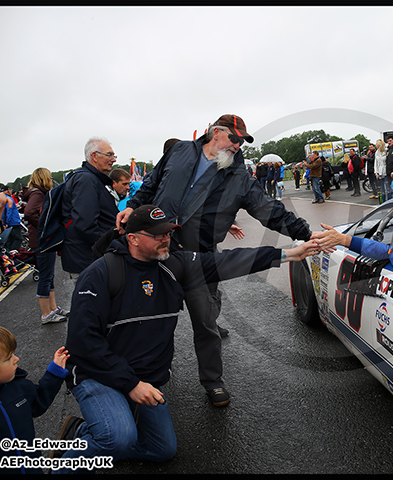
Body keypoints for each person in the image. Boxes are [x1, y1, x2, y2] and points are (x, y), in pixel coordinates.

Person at [58, 204, 318, 472]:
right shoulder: (100, 274)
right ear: (132, 238)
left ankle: (93, 433)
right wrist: (131, 383)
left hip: (144, 378)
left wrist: (289, 254)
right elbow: (82, 342)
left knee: (162, 450)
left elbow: (228, 261)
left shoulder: (175, 264)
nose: (166, 239)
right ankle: (78, 450)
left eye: (168, 232)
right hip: (98, 374)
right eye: (157, 235)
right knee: (118, 437)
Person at [116, 115, 314, 407]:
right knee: (142, 317)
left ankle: (213, 382)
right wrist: (132, 206)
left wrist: (306, 233)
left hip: (199, 255)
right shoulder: (180, 151)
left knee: (206, 323)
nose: (236, 145)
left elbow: (270, 211)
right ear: (215, 133)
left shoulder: (239, 178)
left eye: (241, 141)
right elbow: (151, 184)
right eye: (233, 138)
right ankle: (140, 376)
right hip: (154, 250)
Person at [0, 324, 69, 474]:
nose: (16, 359)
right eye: (8, 358)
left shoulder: (19, 386)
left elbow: (39, 401)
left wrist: (55, 372)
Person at [61, 136, 119, 280]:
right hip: (88, 261)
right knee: (93, 301)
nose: (114, 159)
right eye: (109, 155)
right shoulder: (86, 180)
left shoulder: (90, 179)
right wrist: (109, 246)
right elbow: (85, 224)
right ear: (94, 156)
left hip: (88, 258)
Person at [22, 168, 70, 324]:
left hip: (40, 239)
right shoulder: (37, 194)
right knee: (45, 275)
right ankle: (46, 313)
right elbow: (29, 213)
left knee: (49, 274)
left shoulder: (37, 193)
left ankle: (53, 308)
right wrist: (45, 226)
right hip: (41, 240)